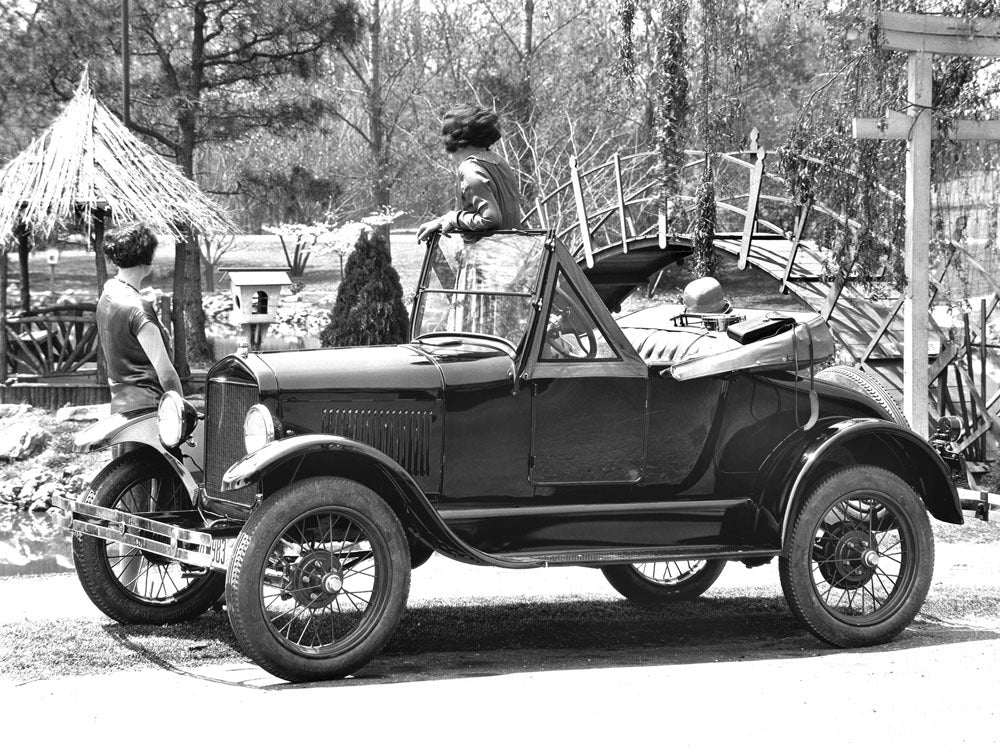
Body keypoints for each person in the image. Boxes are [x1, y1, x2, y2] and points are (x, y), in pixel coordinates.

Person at [97, 223, 182, 416]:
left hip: (120, 407)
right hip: (149, 409)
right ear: (147, 260)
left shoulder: (108, 294)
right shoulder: (138, 308)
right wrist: (181, 410)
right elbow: (167, 374)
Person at [416, 104, 523, 241]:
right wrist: (443, 220)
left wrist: (454, 218)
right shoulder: (499, 162)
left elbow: (490, 219)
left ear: (454, 139)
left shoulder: (469, 168)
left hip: (487, 251)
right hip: (512, 250)